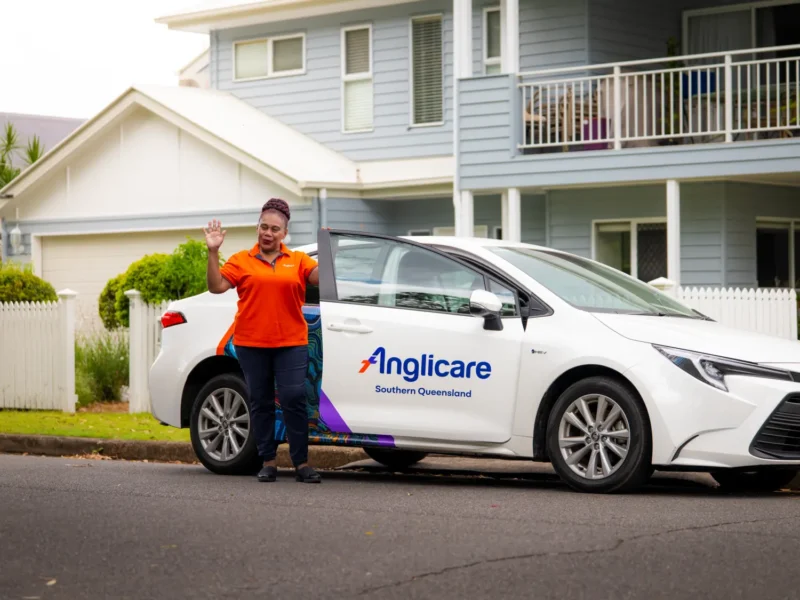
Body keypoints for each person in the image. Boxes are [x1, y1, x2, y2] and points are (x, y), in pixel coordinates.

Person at [204, 198, 322, 484]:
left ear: (284, 234)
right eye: (264, 227)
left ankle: (301, 463)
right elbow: (216, 286)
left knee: (294, 399)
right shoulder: (241, 260)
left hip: (291, 343)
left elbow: (321, 279)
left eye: (275, 229)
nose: (268, 233)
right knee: (261, 401)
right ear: (258, 228)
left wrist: (331, 255)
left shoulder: (298, 261)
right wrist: (212, 251)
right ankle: (268, 461)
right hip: (252, 343)